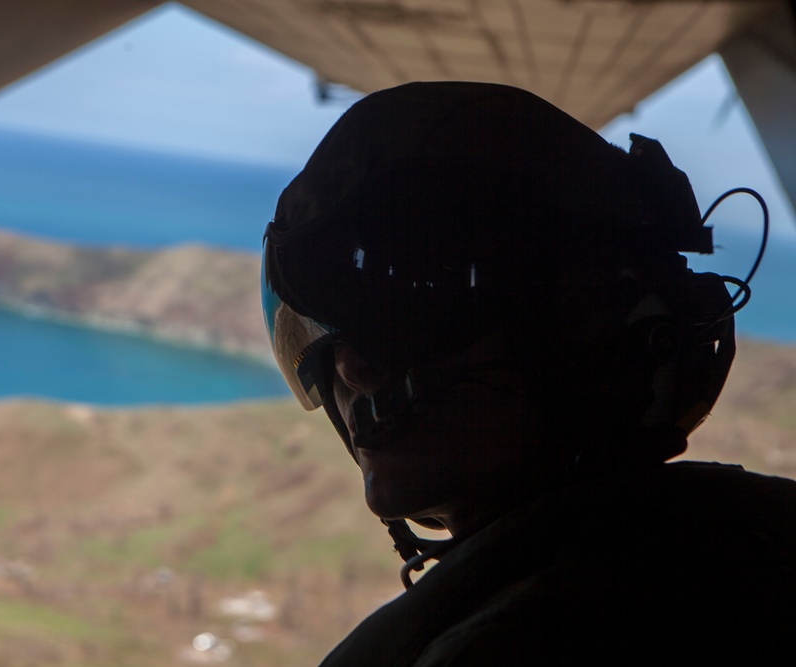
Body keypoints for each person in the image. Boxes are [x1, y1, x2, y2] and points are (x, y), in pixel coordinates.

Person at [261, 82, 796, 665]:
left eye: (423, 294)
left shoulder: (575, 624)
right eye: (324, 327)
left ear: (589, 319)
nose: (352, 367)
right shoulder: (737, 542)